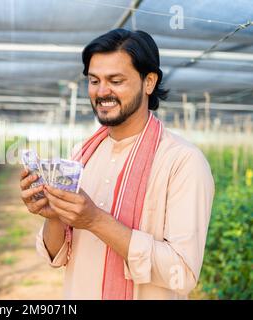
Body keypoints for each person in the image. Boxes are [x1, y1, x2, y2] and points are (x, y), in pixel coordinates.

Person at [19, 29, 215, 300]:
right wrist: (54, 215)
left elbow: (181, 273)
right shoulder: (82, 155)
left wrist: (97, 221)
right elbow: (57, 256)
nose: (102, 92)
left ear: (149, 82)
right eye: (94, 80)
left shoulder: (182, 162)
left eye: (116, 80)